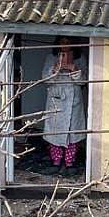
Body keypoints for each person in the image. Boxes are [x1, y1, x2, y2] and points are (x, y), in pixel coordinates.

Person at [41, 37, 86, 177]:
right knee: (55, 132)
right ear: (58, 44)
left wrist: (74, 69)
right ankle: (56, 161)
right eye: (62, 42)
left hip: (73, 102)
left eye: (68, 42)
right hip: (57, 100)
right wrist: (55, 69)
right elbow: (44, 79)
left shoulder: (80, 58)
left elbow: (84, 80)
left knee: (72, 133)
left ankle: (70, 162)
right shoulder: (51, 58)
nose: (65, 45)